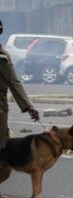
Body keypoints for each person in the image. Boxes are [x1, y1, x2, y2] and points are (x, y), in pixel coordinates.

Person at [0, 21, 40, 150]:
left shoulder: (3, 56)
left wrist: (28, 106)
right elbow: (14, 83)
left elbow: (14, 83)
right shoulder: (2, 56)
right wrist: (29, 107)